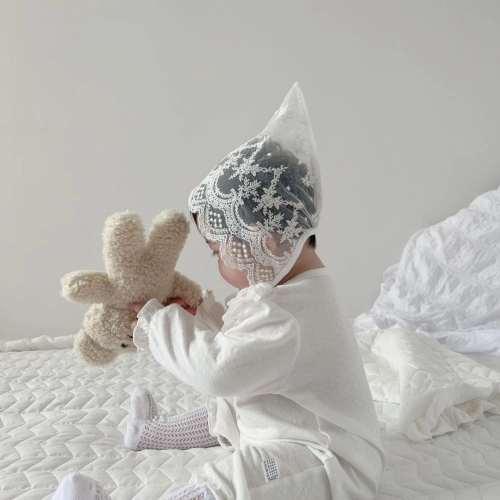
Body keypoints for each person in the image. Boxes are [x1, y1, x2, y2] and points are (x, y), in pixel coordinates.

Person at [51, 82, 386, 500]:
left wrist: (158, 322)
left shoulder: (289, 315)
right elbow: (243, 341)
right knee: (236, 406)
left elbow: (219, 370)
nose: (218, 264)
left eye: (217, 252)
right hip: (287, 426)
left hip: (329, 463)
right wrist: (200, 314)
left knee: (241, 475)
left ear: (265, 242)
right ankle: (153, 432)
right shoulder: (295, 289)